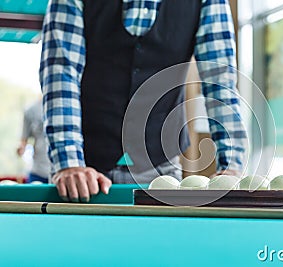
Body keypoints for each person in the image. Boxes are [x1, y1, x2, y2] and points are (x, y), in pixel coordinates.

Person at [39, 0, 246, 202]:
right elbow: (61, 74)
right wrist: (69, 164)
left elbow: (219, 80)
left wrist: (230, 168)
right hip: (84, 168)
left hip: (161, 168)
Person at [17, 99, 51, 183]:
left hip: (63, 172)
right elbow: (23, 140)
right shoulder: (31, 110)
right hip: (38, 171)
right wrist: (21, 149)